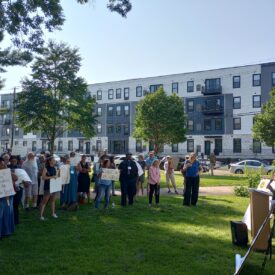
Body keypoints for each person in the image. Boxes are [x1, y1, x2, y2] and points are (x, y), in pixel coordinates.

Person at [0, 157, 18, 238]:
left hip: (8, 195)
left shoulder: (7, 171)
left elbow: (15, 178)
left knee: (8, 213)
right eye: (1, 164)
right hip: (1, 196)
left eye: (3, 163)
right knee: (1, 214)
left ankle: (7, 231)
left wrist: (7, 170)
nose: (3, 165)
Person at [39, 156, 59, 220]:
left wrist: (56, 176)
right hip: (48, 186)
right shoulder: (46, 168)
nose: (55, 161)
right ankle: (41, 216)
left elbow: (56, 176)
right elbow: (43, 177)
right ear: (50, 161)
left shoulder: (55, 168)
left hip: (54, 186)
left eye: (54, 160)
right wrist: (52, 177)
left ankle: (53, 213)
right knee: (44, 201)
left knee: (53, 200)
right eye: (53, 160)